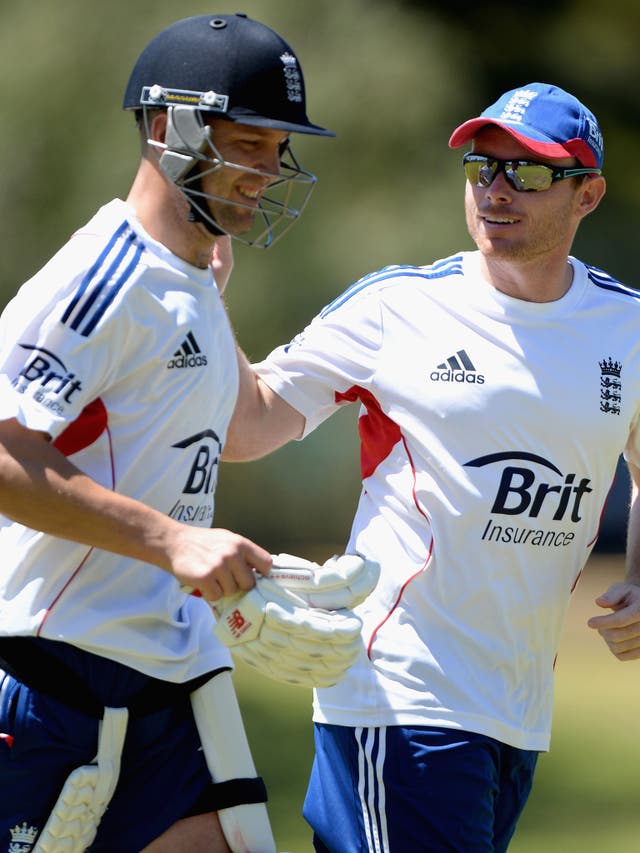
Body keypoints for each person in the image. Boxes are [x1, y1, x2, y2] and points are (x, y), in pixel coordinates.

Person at [223, 82, 640, 851]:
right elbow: (247, 425)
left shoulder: (627, 327)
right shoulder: (396, 308)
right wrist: (195, 295)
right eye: (484, 168)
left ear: (589, 195)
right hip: (398, 695)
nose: (497, 190)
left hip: (516, 711)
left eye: (531, 172)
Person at [0, 12, 346, 852]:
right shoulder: (105, 275)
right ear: (169, 125)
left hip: (168, 667)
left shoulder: (196, 276)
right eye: (250, 144)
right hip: (56, 671)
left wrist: (379, 370)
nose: (270, 172)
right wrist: (171, 542)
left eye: (278, 148)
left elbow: (243, 427)